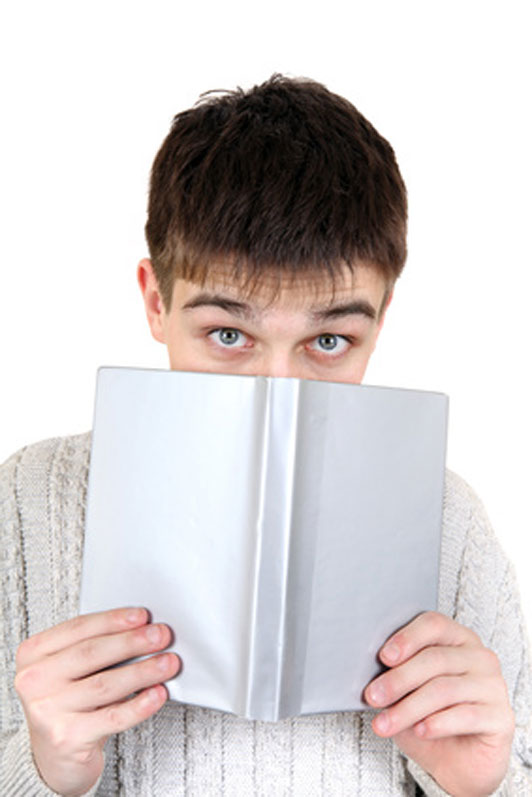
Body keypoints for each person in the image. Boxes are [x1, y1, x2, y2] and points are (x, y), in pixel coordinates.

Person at [1, 75, 531, 796]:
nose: (278, 387)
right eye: (228, 333)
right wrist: (41, 770)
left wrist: (483, 784)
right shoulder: (29, 498)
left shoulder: (449, 518)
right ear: (156, 301)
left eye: (331, 340)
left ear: (382, 317)